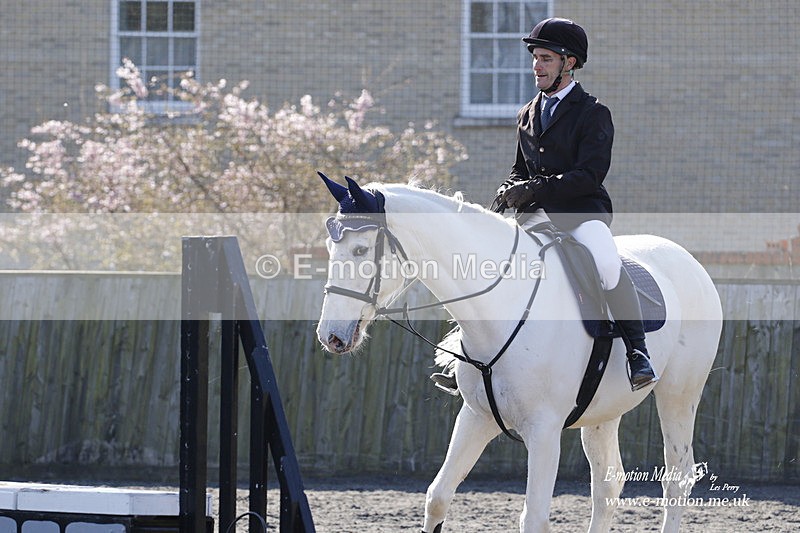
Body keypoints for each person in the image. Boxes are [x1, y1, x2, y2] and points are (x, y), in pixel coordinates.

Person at [432, 17, 658, 394]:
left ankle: (638, 353)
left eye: (546, 58)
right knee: (493, 263)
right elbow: (519, 168)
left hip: (581, 212)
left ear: (569, 63)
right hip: (535, 216)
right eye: (536, 57)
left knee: (605, 260)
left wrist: (535, 188)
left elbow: (589, 175)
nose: (537, 65)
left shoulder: (593, 113)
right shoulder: (528, 113)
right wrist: (509, 189)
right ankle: (467, 359)